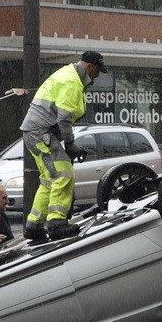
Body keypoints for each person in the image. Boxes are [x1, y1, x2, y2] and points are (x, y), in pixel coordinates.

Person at [19, 50, 107, 240]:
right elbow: (64, 119)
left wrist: (68, 145)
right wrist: (70, 144)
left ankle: (34, 226)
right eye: (98, 70)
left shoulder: (70, 75)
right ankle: (56, 224)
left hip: (35, 133)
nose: (98, 75)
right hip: (41, 133)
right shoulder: (72, 82)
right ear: (90, 66)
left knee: (49, 179)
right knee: (64, 175)